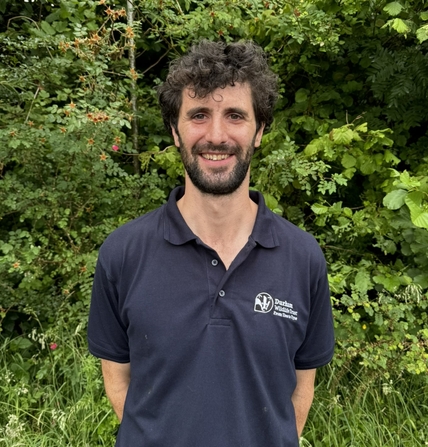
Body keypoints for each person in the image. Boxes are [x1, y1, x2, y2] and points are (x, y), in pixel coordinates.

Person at [88, 40, 334, 447]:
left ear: (259, 131)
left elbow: (300, 392)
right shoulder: (123, 254)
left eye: (235, 115)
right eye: (198, 115)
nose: (216, 135)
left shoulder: (303, 258)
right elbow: (119, 383)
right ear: (175, 132)